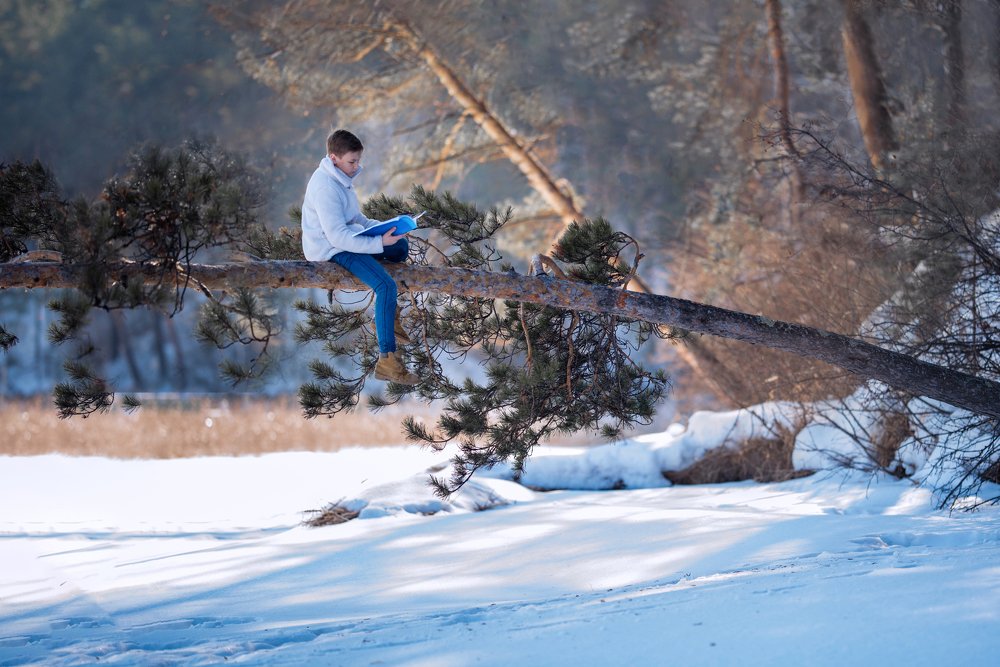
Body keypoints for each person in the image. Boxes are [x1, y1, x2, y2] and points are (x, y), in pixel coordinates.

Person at [301, 129, 420, 385]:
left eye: (358, 160)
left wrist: (387, 228)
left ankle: (388, 316)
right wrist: (377, 242)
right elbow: (337, 237)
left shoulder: (341, 178)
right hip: (331, 249)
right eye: (351, 162)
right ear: (334, 158)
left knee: (399, 249)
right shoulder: (325, 187)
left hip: (347, 238)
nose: (357, 166)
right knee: (385, 285)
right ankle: (388, 360)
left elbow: (356, 220)